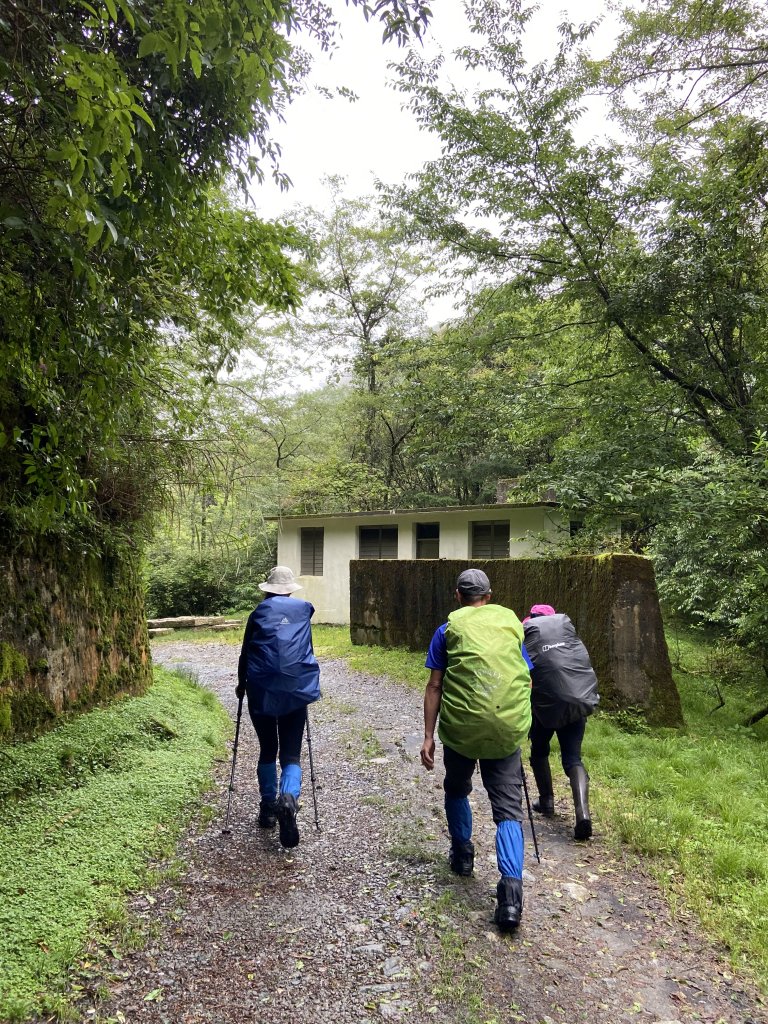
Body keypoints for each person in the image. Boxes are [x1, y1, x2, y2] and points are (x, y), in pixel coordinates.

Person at [421, 568, 532, 932]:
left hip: (462, 730)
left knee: (456, 787)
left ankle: (463, 854)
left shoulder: (446, 630)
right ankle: (511, 895)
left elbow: (435, 686)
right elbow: (526, 677)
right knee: (508, 809)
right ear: (489, 594)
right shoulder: (511, 625)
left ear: (458, 596)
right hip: (505, 730)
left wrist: (428, 736)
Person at [236, 566, 321, 849]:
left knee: (267, 750)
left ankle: (268, 809)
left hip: (261, 690)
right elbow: (306, 650)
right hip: (295, 691)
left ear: (268, 590)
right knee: (291, 755)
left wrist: (241, 685)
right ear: (290, 589)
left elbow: (245, 654)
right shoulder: (302, 612)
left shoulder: (257, 614)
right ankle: (289, 798)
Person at [522, 604, 599, 841]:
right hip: (576, 703)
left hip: (545, 708)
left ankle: (546, 801)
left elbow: (523, 674)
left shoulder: (527, 638)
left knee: (539, 751)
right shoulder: (568, 637)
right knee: (573, 758)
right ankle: (583, 813)